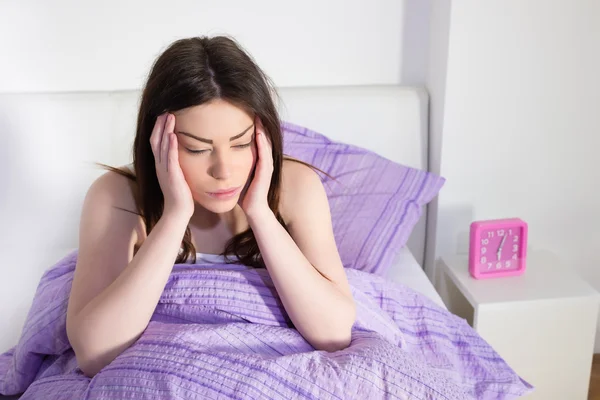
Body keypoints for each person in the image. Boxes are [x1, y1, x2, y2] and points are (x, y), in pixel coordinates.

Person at [65, 35, 356, 378]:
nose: (223, 171)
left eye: (241, 143)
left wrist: (260, 213)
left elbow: (334, 334)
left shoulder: (296, 187)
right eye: (197, 149)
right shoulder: (117, 196)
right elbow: (95, 354)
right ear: (158, 141)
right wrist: (174, 217)